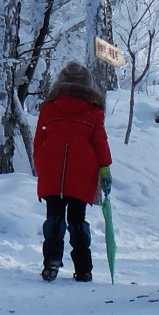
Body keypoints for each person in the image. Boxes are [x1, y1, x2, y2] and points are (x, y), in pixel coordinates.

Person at [32, 60, 112, 282]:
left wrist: (42, 164)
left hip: (52, 171)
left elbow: (39, 140)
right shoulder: (93, 112)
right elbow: (100, 142)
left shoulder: (49, 107)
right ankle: (84, 269)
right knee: (78, 220)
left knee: (54, 217)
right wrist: (105, 169)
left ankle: (51, 262)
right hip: (82, 173)